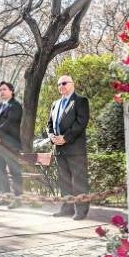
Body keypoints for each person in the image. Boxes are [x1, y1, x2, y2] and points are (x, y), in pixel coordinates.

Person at [48, 75, 90, 220]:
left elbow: (81, 122)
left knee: (79, 180)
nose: (61, 86)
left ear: (72, 84)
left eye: (64, 83)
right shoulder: (55, 103)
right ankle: (67, 208)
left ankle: (81, 210)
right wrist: (52, 137)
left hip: (75, 149)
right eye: (59, 84)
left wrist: (65, 138)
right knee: (64, 181)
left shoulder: (80, 101)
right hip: (59, 150)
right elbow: (49, 124)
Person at [0, 81, 23, 209]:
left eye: (4, 89)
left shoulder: (16, 106)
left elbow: (9, 123)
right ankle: (6, 197)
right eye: (0, 90)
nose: (1, 92)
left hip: (10, 145)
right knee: (0, 172)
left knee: (14, 172)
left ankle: (18, 199)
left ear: (11, 91)